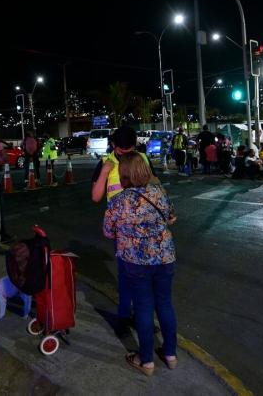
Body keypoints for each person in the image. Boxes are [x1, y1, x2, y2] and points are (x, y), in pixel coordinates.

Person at [103, 153, 178, 376]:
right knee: (164, 304)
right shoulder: (159, 193)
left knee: (144, 307)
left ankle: (146, 361)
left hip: (135, 261)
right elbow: (172, 218)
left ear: (125, 175)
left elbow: (108, 231)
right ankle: (170, 354)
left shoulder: (119, 200)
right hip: (164, 257)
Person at [91, 126, 154, 337]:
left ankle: (139, 316)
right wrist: (105, 172)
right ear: (114, 146)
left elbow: (155, 188)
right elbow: (96, 196)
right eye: (122, 152)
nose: (126, 155)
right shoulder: (106, 162)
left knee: (142, 276)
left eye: (129, 151)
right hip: (122, 231)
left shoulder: (142, 159)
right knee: (127, 276)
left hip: (146, 229)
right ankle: (125, 317)